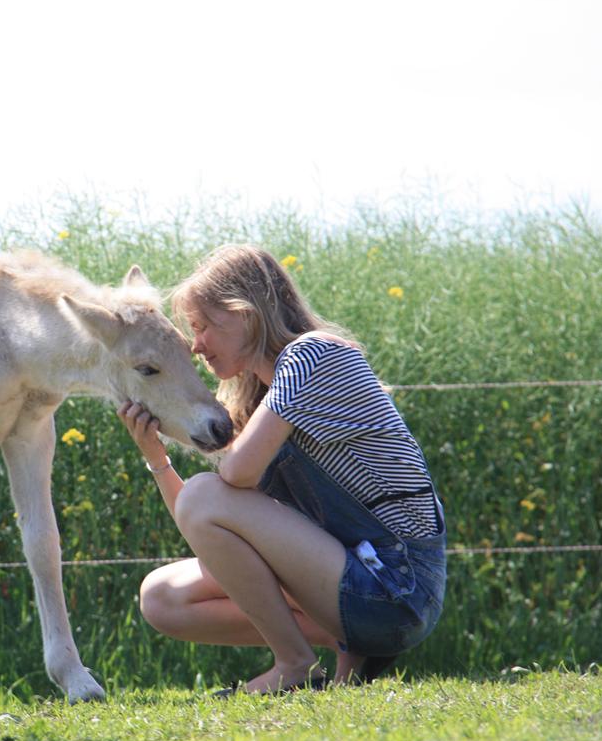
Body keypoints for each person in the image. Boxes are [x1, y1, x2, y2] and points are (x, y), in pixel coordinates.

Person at [116, 244, 446, 694]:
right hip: (358, 579)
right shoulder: (264, 396)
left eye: (203, 326)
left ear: (246, 314)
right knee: (161, 597)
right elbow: (207, 528)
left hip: (397, 586)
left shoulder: (313, 357)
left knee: (203, 493)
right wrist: (156, 454)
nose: (196, 346)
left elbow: (233, 480)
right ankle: (347, 651)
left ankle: (294, 665)